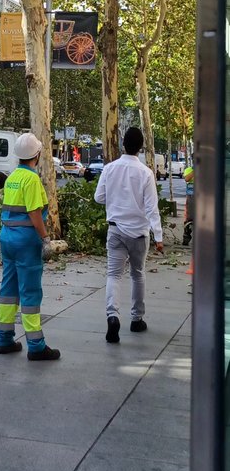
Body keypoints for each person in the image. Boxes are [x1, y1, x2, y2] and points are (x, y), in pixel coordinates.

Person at [94, 127, 164, 344]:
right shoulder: (145, 173)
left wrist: (116, 201)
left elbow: (99, 197)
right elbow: (152, 208)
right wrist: (159, 237)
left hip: (115, 230)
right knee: (137, 274)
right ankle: (136, 319)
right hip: (139, 234)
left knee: (113, 275)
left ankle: (112, 316)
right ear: (141, 147)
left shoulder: (110, 169)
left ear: (123, 144)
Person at [0, 132, 61, 362]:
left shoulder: (12, 177)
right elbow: (34, 213)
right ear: (37, 154)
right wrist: (45, 239)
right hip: (26, 241)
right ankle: (36, 345)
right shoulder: (31, 179)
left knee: (8, 290)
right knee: (30, 291)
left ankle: (4, 339)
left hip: (7, 238)